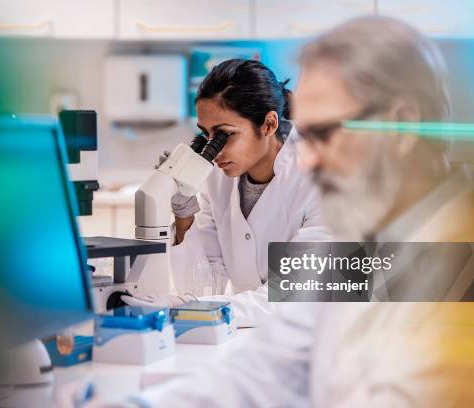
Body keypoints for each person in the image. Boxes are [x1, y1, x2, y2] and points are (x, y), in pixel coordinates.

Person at [59, 16, 474, 407]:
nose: (309, 160)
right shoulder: (368, 250)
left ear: (402, 123)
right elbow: (261, 370)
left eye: (323, 135)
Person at [123, 59, 329, 327]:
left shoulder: (324, 179)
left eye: (225, 135)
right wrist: (184, 216)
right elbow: (202, 286)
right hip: (254, 330)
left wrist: (192, 307)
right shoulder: (218, 178)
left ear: (268, 124)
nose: (214, 150)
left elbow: (292, 297)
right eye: (206, 136)